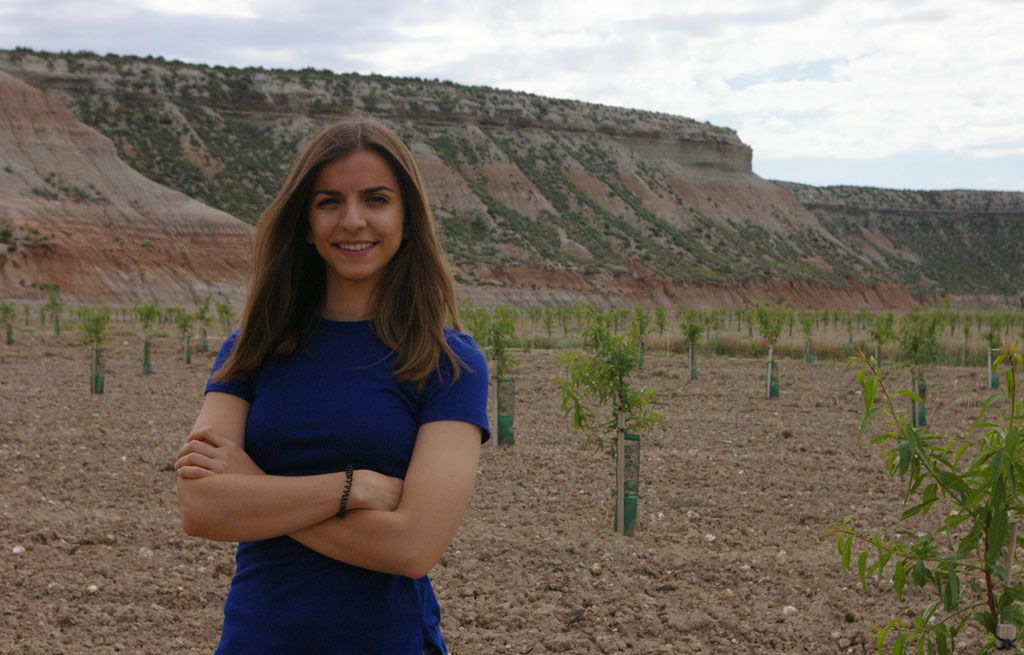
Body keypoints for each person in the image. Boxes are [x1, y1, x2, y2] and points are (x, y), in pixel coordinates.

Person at [174, 116, 490, 655]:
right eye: (328, 202)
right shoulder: (250, 349)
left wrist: (256, 487)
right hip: (256, 641)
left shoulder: (449, 363)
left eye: (375, 200)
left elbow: (413, 547)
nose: (352, 220)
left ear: (406, 218)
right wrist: (353, 488)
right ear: (304, 222)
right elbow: (202, 509)